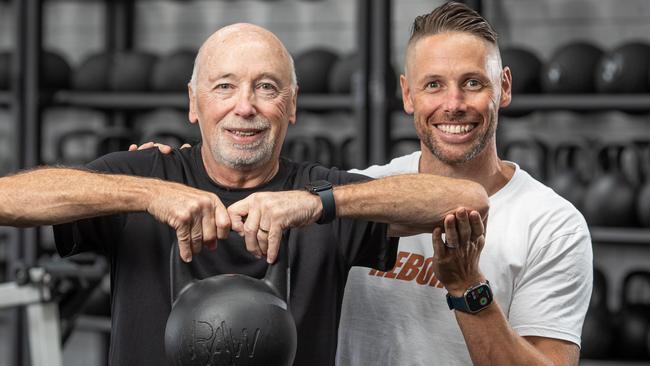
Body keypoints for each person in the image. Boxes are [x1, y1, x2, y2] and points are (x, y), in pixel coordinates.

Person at [0, 23, 489, 365]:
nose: (245, 107)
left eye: (267, 88)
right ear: (194, 103)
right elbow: (8, 199)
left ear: (291, 106)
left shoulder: (319, 191)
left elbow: (465, 199)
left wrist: (316, 204)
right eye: (224, 87)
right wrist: (149, 194)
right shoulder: (144, 172)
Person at [335, 3, 592, 366]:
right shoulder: (363, 194)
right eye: (434, 85)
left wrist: (468, 286)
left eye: (472, 83)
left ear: (503, 87)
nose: (453, 104)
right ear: (408, 95)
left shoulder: (553, 225)